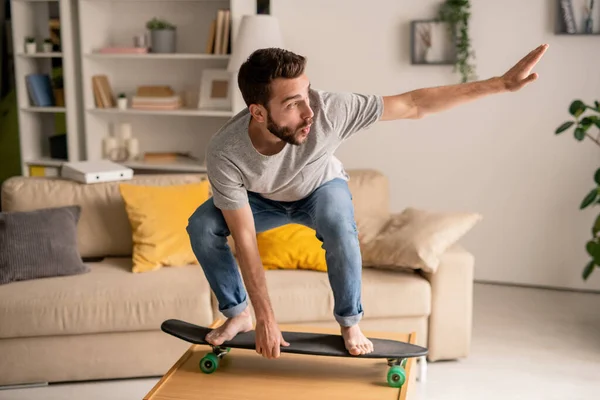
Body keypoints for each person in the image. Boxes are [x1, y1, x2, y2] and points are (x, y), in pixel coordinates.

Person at [186, 44, 548, 360]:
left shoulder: (329, 110)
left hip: (320, 188)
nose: (309, 112)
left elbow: (413, 104)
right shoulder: (226, 151)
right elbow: (245, 239)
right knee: (202, 226)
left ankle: (350, 323)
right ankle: (237, 313)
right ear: (258, 112)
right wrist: (266, 318)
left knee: (340, 225)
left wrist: (500, 84)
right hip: (261, 199)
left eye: (307, 95)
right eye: (293, 104)